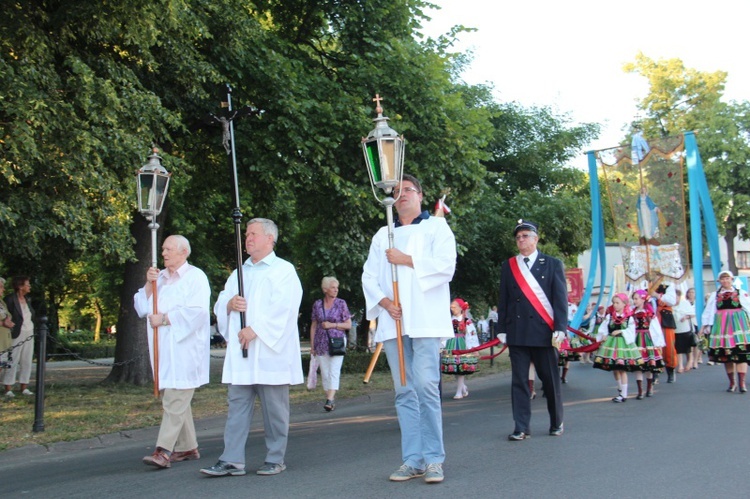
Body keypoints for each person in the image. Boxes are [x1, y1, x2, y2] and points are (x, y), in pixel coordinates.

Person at [362, 174, 456, 484]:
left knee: (426, 387)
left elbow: (446, 266)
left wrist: (407, 259)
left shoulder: (436, 227)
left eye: (408, 190)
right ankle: (412, 459)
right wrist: (385, 302)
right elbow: (369, 276)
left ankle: (433, 460)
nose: (401, 195)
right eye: (397, 191)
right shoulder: (382, 234)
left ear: (420, 195)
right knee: (404, 391)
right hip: (394, 320)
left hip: (425, 321)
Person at [201, 218, 303, 477]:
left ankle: (275, 457)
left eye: (253, 234)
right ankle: (231, 459)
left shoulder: (284, 270)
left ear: (270, 239)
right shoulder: (239, 272)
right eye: (246, 234)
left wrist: (255, 330)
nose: (247, 238)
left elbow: (286, 308)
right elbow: (221, 303)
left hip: (269, 352)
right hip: (242, 354)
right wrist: (229, 304)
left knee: (275, 410)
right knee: (237, 406)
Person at [134, 235, 211, 469]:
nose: (164, 253)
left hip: (186, 350)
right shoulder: (161, 278)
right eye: (163, 249)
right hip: (164, 351)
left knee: (174, 399)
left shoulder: (195, 277)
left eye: (169, 249)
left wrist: (165, 319)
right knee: (177, 399)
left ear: (183, 252)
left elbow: (197, 312)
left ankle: (163, 450)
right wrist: (149, 284)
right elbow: (140, 307)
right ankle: (187, 447)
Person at [497, 219, 567, 441]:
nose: (521, 240)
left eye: (525, 236)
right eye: (518, 237)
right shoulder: (509, 266)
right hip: (517, 332)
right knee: (519, 382)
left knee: (549, 380)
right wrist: (501, 328)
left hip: (543, 333)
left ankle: (556, 421)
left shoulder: (552, 264)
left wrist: (560, 328)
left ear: (536, 239)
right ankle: (521, 426)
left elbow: (560, 300)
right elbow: (504, 299)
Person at [700, 270, 750, 393]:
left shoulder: (740, 293)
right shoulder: (715, 295)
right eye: (722, 279)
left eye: (727, 278)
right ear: (719, 281)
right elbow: (709, 311)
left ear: (732, 279)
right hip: (722, 325)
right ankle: (732, 382)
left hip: (739, 324)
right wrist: (703, 327)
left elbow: (748, 308)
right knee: (726, 355)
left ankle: (742, 383)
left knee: (741, 354)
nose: (725, 281)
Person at [309, 276, 352, 412]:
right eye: (333, 287)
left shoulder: (341, 304)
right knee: (325, 372)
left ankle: (330, 399)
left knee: (334, 370)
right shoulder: (317, 305)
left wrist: (332, 325)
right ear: (325, 289)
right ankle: (330, 398)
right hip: (321, 342)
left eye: (337, 288)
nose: (336, 290)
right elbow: (314, 325)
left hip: (337, 341)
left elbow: (348, 324)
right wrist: (312, 345)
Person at [592, 293, 643, 402]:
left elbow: (631, 331)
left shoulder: (629, 317)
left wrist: (621, 331)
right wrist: (603, 335)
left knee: (621, 369)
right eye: (614, 303)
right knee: (615, 369)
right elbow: (604, 328)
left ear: (624, 304)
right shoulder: (610, 316)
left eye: (617, 303)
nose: (615, 305)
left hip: (622, 345)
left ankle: (623, 394)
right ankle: (620, 388)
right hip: (611, 344)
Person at [3, 276, 35, 398]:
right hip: (16, 332)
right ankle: (8, 387)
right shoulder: (10, 299)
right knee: (13, 359)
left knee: (27, 359)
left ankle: (24, 386)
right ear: (20, 286)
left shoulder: (28, 299)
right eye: (27, 284)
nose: (29, 286)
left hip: (29, 331)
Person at [631, 289, 666, 398]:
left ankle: (649, 387)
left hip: (647, 338)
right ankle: (640, 390)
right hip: (636, 338)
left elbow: (655, 327)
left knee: (649, 364)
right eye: (633, 299)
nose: (634, 301)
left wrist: (658, 341)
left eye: (636, 298)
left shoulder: (649, 312)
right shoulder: (633, 312)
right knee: (638, 365)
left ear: (643, 299)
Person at [443, 298, 479, 399]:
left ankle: (459, 391)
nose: (452, 309)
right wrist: (443, 345)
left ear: (460, 308)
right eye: (451, 307)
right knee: (454, 367)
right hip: (451, 343)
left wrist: (474, 348)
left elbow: (471, 334)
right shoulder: (449, 320)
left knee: (461, 367)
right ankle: (463, 387)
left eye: (454, 307)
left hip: (462, 344)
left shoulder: (466, 321)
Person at [652, 279, 677, 383]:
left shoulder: (667, 285)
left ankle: (670, 370)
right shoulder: (645, 285)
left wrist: (657, 295)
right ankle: (655, 372)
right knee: (653, 347)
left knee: (668, 347)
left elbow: (672, 300)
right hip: (651, 319)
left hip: (665, 319)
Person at [672, 289, 696, 373]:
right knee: (678, 348)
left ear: (679, 297)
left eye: (676, 297)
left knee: (687, 347)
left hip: (685, 328)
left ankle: (690, 361)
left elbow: (692, 313)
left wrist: (686, 317)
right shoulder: (670, 305)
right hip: (676, 329)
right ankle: (680, 365)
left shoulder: (685, 303)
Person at [0, 278, 15, 370]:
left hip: (3, 343)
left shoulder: (2, 302)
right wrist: (3, 323)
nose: (3, 289)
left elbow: (8, 315)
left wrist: (8, 320)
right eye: (1, 287)